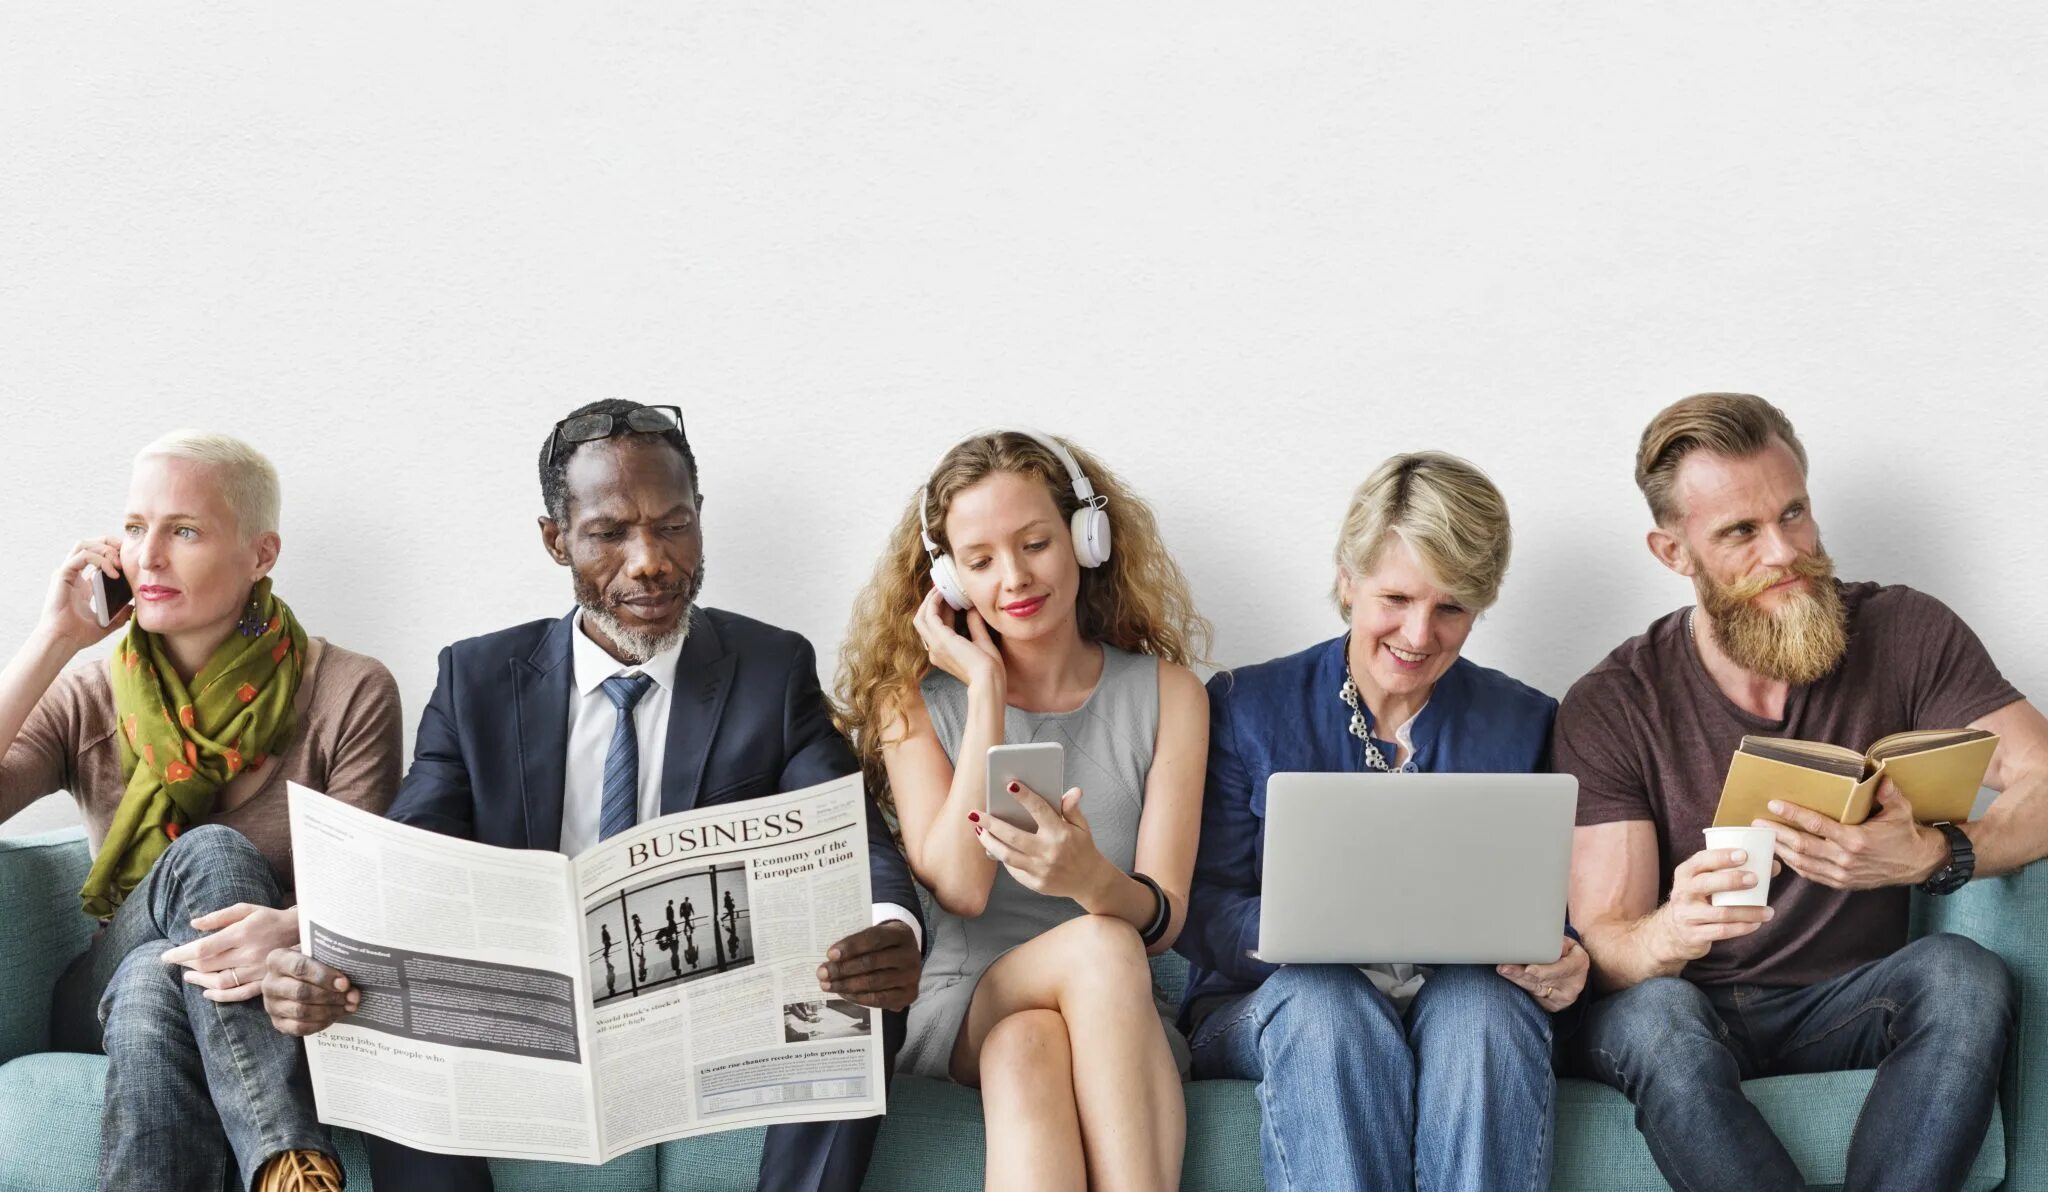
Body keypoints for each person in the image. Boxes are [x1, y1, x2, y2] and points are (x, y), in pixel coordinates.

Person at [258, 400, 925, 1192]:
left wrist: (894, 930)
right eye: (610, 533)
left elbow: (860, 843)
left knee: (861, 1002)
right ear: (556, 539)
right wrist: (319, 965)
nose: (649, 560)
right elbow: (408, 865)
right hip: (526, 1022)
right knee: (384, 1008)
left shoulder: (770, 669)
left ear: (700, 522)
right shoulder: (476, 682)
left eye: (673, 526)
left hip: (710, 1015)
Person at [1559, 393, 2047, 1191]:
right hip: (1692, 1009)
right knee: (1655, 1019)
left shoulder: (1905, 632)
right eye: (1740, 532)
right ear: (1673, 551)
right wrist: (1673, 931)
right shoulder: (1616, 701)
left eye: (1794, 513)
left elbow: (2044, 775)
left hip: (1849, 1002)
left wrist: (1935, 854)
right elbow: (1606, 946)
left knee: (1967, 976)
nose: (1783, 552)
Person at [0, 431, 403, 1192]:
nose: (147, 556)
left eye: (183, 530)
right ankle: (290, 1158)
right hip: (95, 984)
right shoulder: (93, 693)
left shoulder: (350, 690)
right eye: (133, 527)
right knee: (209, 854)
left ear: (261, 555)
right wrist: (55, 636)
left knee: (160, 976)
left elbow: (365, 888)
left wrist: (285, 928)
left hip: (279, 987)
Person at [1175, 451, 1584, 1191]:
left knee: (1485, 1011)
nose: (1419, 634)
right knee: (1329, 1005)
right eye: (1396, 597)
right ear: (1347, 580)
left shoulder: (1525, 721)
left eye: (1452, 608)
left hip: (1461, 995)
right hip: (1278, 1000)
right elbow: (1198, 909)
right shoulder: (1247, 705)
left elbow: (1558, 907)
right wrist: (1313, 935)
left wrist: (1569, 956)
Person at [835, 429, 1210, 1191]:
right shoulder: (910, 703)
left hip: (1120, 1018)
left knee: (1030, 1047)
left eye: (1036, 543)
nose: (1014, 577)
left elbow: (1164, 921)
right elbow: (961, 888)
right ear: (947, 578)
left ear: (1085, 537)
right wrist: (986, 694)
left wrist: (1089, 877)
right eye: (979, 562)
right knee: (1101, 947)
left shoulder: (1171, 695)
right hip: (968, 999)